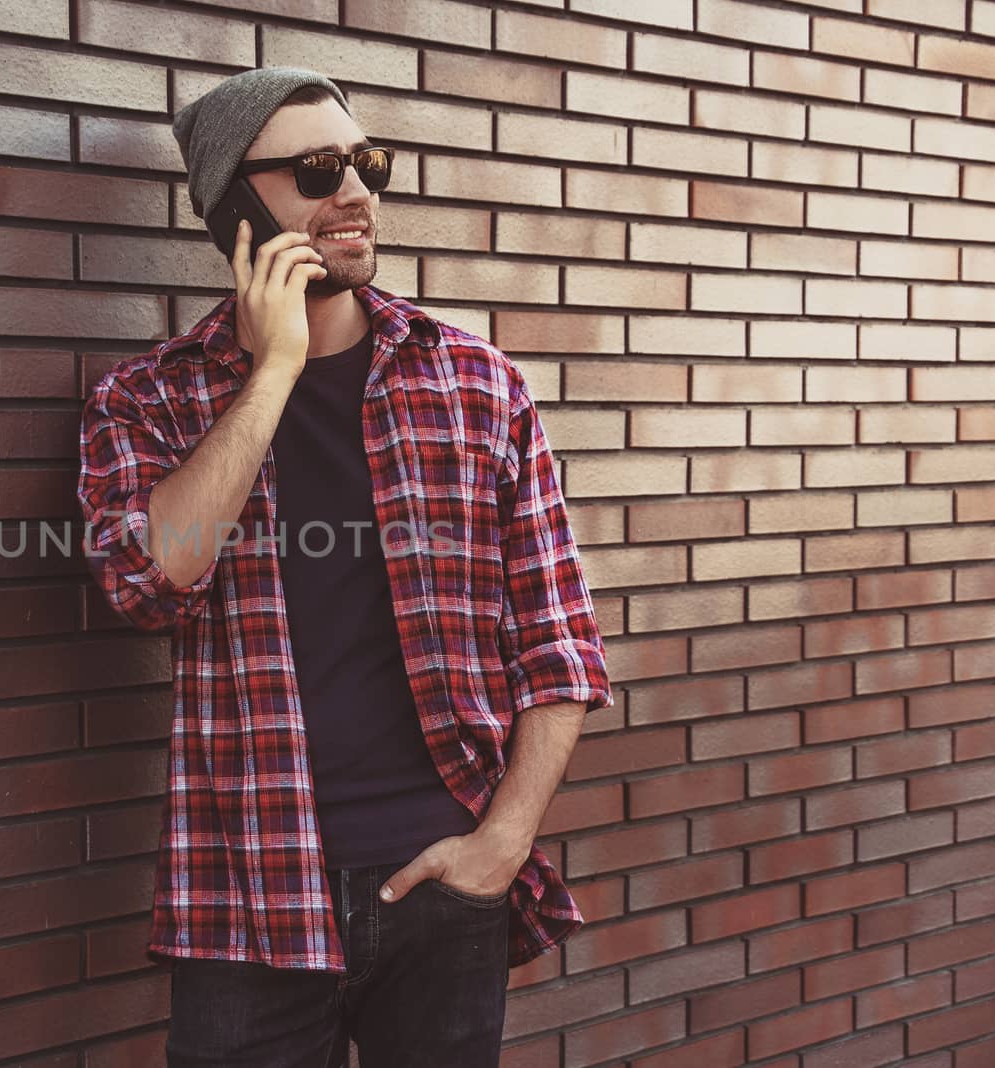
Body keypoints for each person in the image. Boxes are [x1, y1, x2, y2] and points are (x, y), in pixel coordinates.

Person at [76, 66, 613, 1068]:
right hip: (248, 893)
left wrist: (497, 848)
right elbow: (145, 584)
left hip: (442, 878)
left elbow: (559, 642)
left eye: (367, 163)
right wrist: (272, 369)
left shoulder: (474, 383)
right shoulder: (147, 401)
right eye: (319, 171)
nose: (356, 193)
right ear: (234, 206)